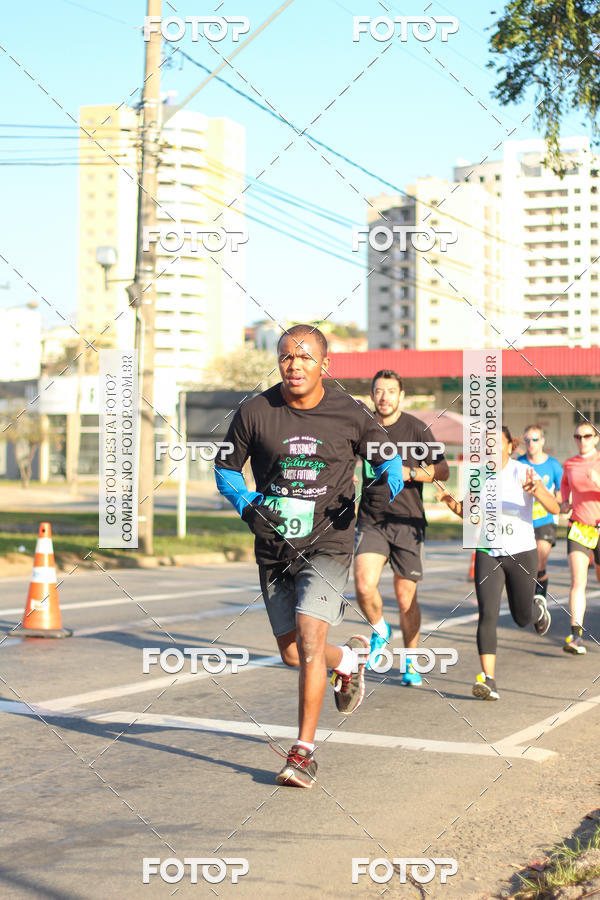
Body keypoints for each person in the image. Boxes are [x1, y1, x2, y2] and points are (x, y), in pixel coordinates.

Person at [214, 325, 404, 787]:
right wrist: (247, 504)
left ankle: (302, 752)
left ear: (325, 365)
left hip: (330, 543)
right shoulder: (255, 412)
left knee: (310, 637)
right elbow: (224, 467)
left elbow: (390, 464)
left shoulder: (351, 413)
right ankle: (348, 662)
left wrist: (382, 488)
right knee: (294, 653)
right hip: (275, 545)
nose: (293, 365)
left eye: (303, 357)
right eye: (285, 357)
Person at [436, 426, 559, 700]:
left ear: (508, 446)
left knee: (521, 617)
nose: (489, 448)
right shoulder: (480, 476)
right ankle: (489, 680)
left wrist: (537, 490)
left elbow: (554, 508)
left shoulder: (523, 472)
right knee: (487, 614)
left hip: (522, 553)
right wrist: (450, 502)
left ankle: (538, 611)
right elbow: (468, 512)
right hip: (488, 552)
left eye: (495, 443)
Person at [353, 369, 449, 686]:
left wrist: (410, 473)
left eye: (390, 391)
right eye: (379, 391)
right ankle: (381, 628)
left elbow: (443, 469)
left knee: (405, 598)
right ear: (372, 395)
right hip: (372, 518)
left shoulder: (416, 429)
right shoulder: (362, 426)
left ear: (401, 396)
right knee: (364, 585)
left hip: (408, 522)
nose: (384, 397)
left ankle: (410, 660)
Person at [559, 423, 600, 654]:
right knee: (578, 581)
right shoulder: (571, 463)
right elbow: (565, 483)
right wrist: (565, 501)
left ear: (595, 438)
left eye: (586, 436)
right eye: (577, 436)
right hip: (579, 526)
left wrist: (597, 482)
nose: (582, 440)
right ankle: (576, 636)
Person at [517, 424, 562, 606]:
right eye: (527, 440)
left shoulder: (553, 465)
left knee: (539, 561)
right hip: (523, 521)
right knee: (527, 565)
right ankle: (530, 596)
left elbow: (561, 494)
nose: (531, 443)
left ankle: (540, 598)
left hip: (546, 520)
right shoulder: (519, 463)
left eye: (535, 439)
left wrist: (549, 498)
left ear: (542, 441)